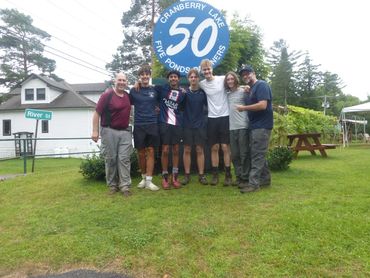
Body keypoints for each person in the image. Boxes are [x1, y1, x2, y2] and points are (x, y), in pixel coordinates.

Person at [92, 72, 133, 197]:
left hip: (125, 132)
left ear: (126, 83)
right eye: (119, 80)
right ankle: (112, 185)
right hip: (109, 131)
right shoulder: (107, 95)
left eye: (124, 80)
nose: (121, 82)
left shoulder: (127, 96)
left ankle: (125, 186)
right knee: (111, 159)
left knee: (124, 159)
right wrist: (95, 131)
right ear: (115, 81)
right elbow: (96, 113)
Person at [236, 65, 273, 193]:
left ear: (254, 73)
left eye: (248, 73)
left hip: (262, 126)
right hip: (255, 126)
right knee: (257, 153)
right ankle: (265, 179)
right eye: (243, 75)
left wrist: (244, 108)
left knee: (257, 155)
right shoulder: (251, 89)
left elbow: (263, 105)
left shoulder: (262, 85)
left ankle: (253, 184)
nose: (245, 76)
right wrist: (244, 88)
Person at [199, 59, 232, 186]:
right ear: (202, 71)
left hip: (225, 116)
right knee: (214, 147)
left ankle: (228, 175)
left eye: (208, 69)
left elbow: (233, 84)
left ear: (212, 69)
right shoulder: (202, 84)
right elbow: (193, 85)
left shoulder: (222, 79)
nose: (207, 71)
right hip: (212, 118)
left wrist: (244, 87)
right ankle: (215, 175)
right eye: (204, 70)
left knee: (225, 147)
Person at [129, 65, 160, 191]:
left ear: (149, 76)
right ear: (140, 77)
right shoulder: (134, 90)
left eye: (147, 74)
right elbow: (127, 104)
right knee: (141, 153)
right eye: (142, 74)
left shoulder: (155, 91)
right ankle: (143, 178)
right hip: (139, 125)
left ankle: (149, 180)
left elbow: (160, 104)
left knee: (151, 151)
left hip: (152, 124)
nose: (145, 76)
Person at [156, 70, 186, 189]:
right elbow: (150, 94)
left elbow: (183, 108)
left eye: (175, 77)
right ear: (168, 79)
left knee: (176, 150)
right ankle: (165, 178)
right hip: (164, 123)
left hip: (177, 124)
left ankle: (175, 177)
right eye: (171, 77)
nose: (173, 78)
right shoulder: (161, 89)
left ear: (178, 79)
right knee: (165, 150)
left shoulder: (183, 93)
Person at [181, 68, 208, 185]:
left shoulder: (203, 93)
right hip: (187, 125)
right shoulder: (184, 93)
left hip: (200, 125)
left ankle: (201, 175)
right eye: (191, 77)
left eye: (195, 77)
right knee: (186, 150)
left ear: (198, 78)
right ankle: (187, 175)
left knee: (199, 150)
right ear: (188, 79)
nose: (193, 79)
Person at [224, 71, 250, 187]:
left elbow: (251, 100)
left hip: (243, 126)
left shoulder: (243, 91)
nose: (230, 81)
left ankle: (245, 178)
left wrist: (247, 87)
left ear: (235, 80)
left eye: (231, 79)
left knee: (244, 153)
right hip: (232, 127)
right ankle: (238, 177)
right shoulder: (227, 94)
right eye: (228, 79)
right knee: (235, 154)